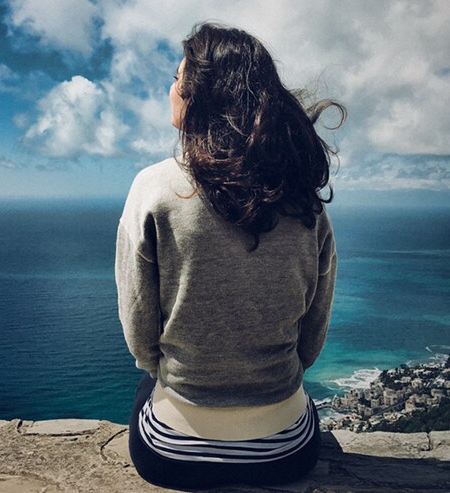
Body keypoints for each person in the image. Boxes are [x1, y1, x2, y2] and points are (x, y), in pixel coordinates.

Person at [115, 22, 344, 489]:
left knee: (145, 386)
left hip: (172, 454)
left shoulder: (153, 189)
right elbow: (312, 336)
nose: (171, 88)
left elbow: (140, 337)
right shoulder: (302, 197)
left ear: (198, 96)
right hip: (285, 451)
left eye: (179, 78)